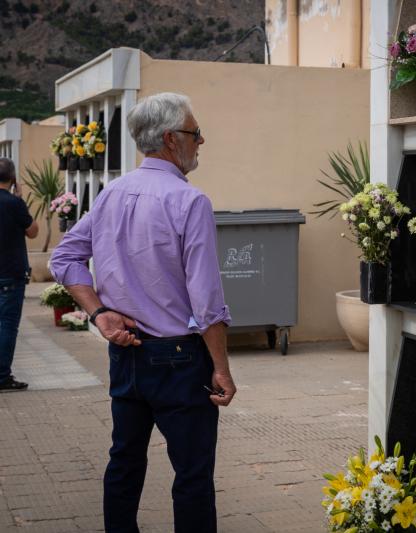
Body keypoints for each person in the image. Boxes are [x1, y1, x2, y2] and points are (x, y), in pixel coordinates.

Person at [50, 92, 236, 533]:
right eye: (195, 133)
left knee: (124, 463)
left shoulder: (112, 193)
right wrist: (222, 368)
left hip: (127, 355)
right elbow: (206, 300)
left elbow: (65, 258)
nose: (201, 140)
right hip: (178, 359)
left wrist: (99, 313)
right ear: (171, 140)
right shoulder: (190, 202)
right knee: (192, 475)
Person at [0, 157, 37, 392]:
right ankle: (3, 376)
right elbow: (33, 231)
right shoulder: (14, 203)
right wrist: (21, 199)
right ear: (13, 179)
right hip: (10, 274)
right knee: (7, 325)